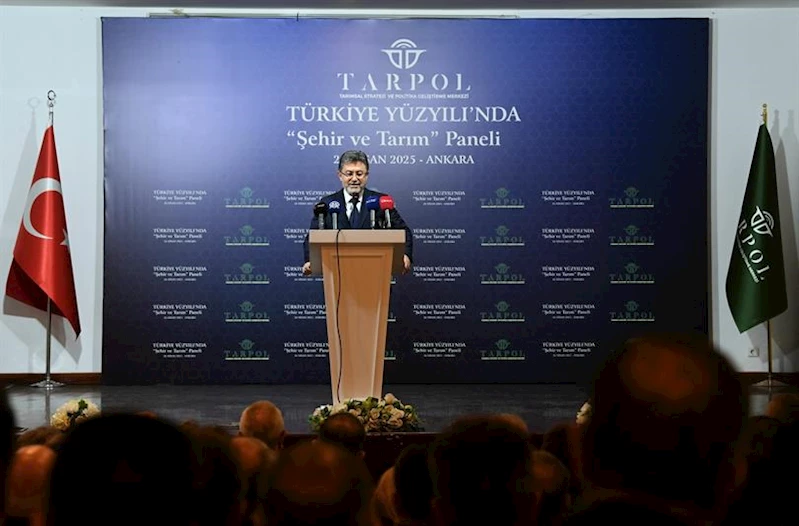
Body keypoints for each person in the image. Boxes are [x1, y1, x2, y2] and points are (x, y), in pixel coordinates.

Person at [302, 150, 413, 275]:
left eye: (359, 174)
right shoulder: (327, 203)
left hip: (375, 271)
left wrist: (405, 254)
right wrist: (310, 260)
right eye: (349, 174)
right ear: (340, 175)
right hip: (337, 273)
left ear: (366, 176)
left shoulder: (381, 201)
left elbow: (403, 231)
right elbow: (313, 236)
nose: (354, 179)